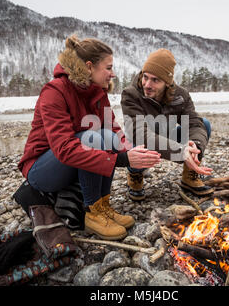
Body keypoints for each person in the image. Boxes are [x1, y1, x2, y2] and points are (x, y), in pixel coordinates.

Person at [18, 35, 161, 240]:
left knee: (105, 135)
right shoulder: (54, 91)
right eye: (108, 68)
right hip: (42, 170)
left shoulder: (97, 93)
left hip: (72, 161)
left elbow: (113, 130)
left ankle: (102, 206)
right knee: (92, 137)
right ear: (89, 66)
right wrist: (121, 159)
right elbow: (65, 149)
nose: (113, 74)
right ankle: (92, 214)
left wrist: (134, 155)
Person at [121, 48, 213, 201]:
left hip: (167, 137)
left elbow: (194, 123)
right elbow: (140, 134)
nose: (147, 84)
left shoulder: (180, 96)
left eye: (155, 80)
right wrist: (181, 151)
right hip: (143, 140)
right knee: (136, 136)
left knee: (204, 124)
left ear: (167, 83)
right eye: (145, 77)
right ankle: (135, 173)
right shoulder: (131, 94)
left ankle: (189, 176)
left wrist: (194, 147)